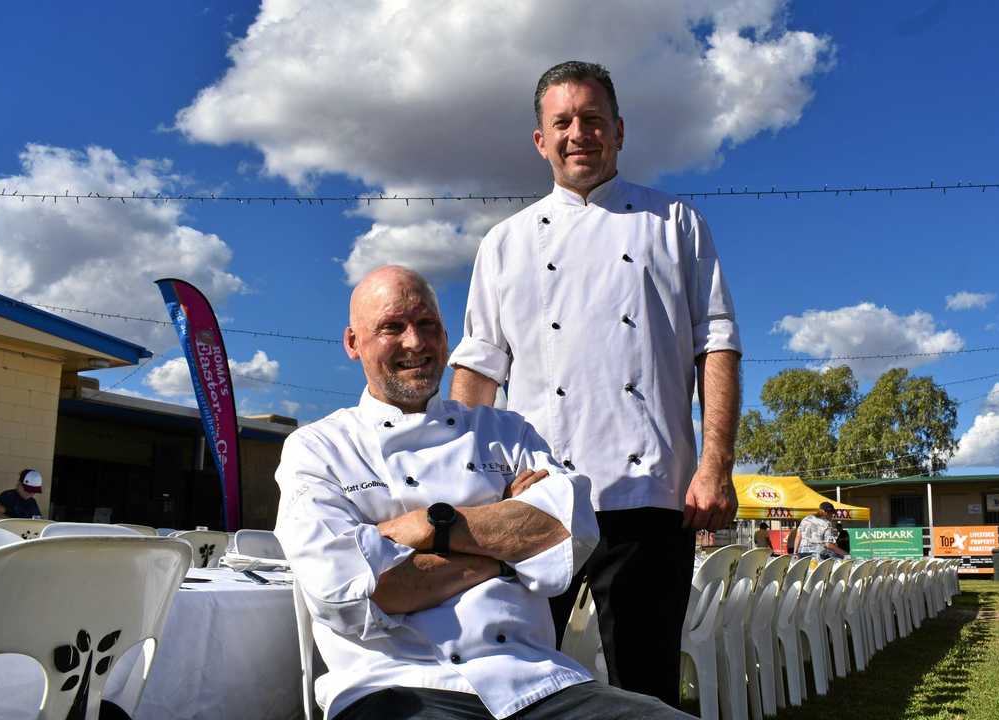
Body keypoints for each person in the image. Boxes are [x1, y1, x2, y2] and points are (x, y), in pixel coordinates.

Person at [273, 266, 693, 720]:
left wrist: (427, 526)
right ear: (353, 343)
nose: (415, 342)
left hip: (538, 681)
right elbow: (351, 594)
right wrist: (506, 547)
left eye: (427, 325)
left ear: (446, 335)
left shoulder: (506, 431)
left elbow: (569, 532)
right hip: (396, 685)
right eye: (392, 327)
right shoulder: (318, 449)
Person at [449, 60, 742, 707]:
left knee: (646, 687)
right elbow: (478, 369)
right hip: (534, 501)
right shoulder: (505, 243)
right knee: (514, 679)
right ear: (540, 139)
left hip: (651, 494)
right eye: (563, 122)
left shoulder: (676, 224)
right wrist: (467, 485)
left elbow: (716, 345)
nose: (578, 133)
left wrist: (716, 465)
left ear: (619, 130)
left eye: (592, 120)